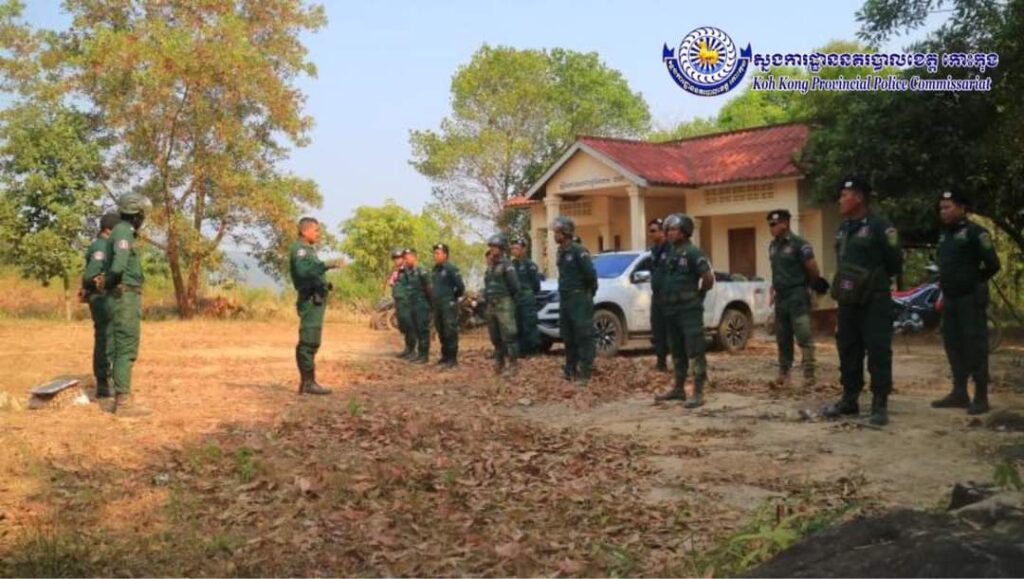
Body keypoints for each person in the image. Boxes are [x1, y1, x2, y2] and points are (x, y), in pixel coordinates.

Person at [823, 177, 903, 426]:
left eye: (844, 195)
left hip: (874, 300)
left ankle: (879, 404)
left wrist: (873, 281)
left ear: (859, 198)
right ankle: (850, 399)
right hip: (848, 300)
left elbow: (895, 262)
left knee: (878, 350)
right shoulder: (844, 228)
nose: (840, 200)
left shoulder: (881, 226)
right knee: (848, 348)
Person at [931, 190, 1001, 415]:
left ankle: (981, 396)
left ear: (962, 208)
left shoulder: (976, 233)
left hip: (969, 299)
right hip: (950, 298)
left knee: (975, 346)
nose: (943, 212)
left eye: (948, 207)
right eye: (941, 208)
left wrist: (973, 280)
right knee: (953, 345)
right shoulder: (945, 235)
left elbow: (993, 264)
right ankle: (959, 392)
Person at [654, 213, 714, 408]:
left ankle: (698, 392)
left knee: (695, 350)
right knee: (676, 350)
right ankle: (679, 388)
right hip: (671, 309)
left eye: (673, 229)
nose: (669, 233)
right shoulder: (670, 252)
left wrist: (699, 296)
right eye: (668, 229)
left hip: (689, 309)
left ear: (685, 232)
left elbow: (708, 278)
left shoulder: (693, 252)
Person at [105, 193, 153, 416]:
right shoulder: (124, 231)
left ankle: (122, 397)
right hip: (125, 296)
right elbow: (118, 266)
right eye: (142, 215)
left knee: (122, 346)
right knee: (126, 346)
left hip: (123, 295)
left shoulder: (121, 231)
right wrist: (111, 283)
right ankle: (123, 403)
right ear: (136, 215)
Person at [767, 209, 826, 388]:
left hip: (797, 295)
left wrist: (810, 287)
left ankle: (809, 373)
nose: (771, 228)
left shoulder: (800, 244)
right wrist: (773, 288)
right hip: (781, 297)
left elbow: (813, 269)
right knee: (782, 336)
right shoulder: (773, 246)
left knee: (803, 334)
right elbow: (776, 270)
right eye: (770, 225)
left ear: (785, 224)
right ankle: (784, 373)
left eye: (774, 224)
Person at [289, 216, 344, 395]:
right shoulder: (300, 250)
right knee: (308, 340)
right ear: (304, 231)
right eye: (316, 230)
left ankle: (308, 382)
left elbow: (310, 273)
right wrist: (326, 265)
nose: (318, 234)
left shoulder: (308, 250)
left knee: (312, 340)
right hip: (310, 300)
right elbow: (303, 272)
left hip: (316, 299)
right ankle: (308, 383)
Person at [551, 217, 597, 385]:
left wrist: (587, 294)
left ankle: (585, 372)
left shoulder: (579, 250)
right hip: (565, 298)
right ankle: (570, 369)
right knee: (568, 335)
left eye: (557, 232)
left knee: (584, 335)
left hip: (579, 298)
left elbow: (590, 275)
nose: (555, 235)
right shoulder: (560, 251)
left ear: (565, 233)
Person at [80, 212, 120, 400]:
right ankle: (104, 383)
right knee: (105, 339)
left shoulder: (106, 245)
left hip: (105, 298)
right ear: (108, 230)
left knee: (109, 338)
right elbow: (90, 275)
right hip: (102, 298)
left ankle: (108, 380)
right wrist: (102, 281)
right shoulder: (101, 246)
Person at [484, 234, 520, 376]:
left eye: (495, 247)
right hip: (491, 304)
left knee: (509, 335)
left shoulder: (507, 265)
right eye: (491, 247)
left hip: (504, 303)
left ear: (502, 248)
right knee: (495, 336)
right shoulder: (490, 266)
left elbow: (515, 286)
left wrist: (509, 301)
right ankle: (499, 364)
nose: (492, 249)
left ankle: (513, 365)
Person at [430, 243, 465, 368]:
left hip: (448, 304)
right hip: (438, 305)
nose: (435, 256)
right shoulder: (435, 269)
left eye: (438, 253)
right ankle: (445, 356)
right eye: (434, 253)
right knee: (441, 330)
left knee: (450, 330)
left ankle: (452, 358)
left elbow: (460, 287)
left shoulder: (451, 268)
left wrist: (452, 298)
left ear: (445, 255)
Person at [510, 237, 542, 357]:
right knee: (517, 323)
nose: (514, 250)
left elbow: (536, 285)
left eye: (517, 248)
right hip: (516, 298)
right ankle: (521, 350)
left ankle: (533, 349)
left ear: (524, 249)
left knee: (529, 323)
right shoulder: (512, 265)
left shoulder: (530, 265)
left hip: (527, 298)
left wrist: (528, 294)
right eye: (513, 248)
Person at [402, 248, 433, 364]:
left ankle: (424, 355)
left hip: (421, 305)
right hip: (412, 304)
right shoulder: (408, 272)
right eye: (404, 259)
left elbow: (429, 288)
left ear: (414, 257)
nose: (405, 261)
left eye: (407, 258)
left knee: (422, 330)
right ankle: (419, 354)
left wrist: (431, 305)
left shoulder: (422, 270)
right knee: (416, 330)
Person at [647, 218, 670, 372]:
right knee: (657, 329)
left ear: (662, 232)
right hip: (657, 296)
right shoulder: (654, 251)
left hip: (669, 296)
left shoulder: (671, 249)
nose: (650, 234)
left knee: (672, 330)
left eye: (653, 231)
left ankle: (680, 362)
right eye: (650, 231)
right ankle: (661, 362)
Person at [387, 248, 415, 359]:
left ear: (403, 258)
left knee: (409, 326)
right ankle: (407, 349)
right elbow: (392, 283)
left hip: (406, 301)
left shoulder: (407, 270)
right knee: (403, 326)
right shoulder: (396, 271)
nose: (396, 260)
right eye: (394, 258)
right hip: (399, 301)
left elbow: (412, 284)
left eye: (398, 258)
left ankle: (412, 350)